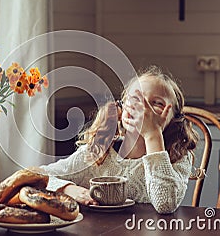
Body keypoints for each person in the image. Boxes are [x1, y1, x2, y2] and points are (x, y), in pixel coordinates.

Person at [40, 65, 199, 214]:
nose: (144, 109)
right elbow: (38, 176)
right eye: (136, 99)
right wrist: (68, 189)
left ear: (173, 119)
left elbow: (165, 204)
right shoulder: (98, 153)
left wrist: (152, 135)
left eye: (157, 103)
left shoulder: (177, 158)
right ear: (122, 107)